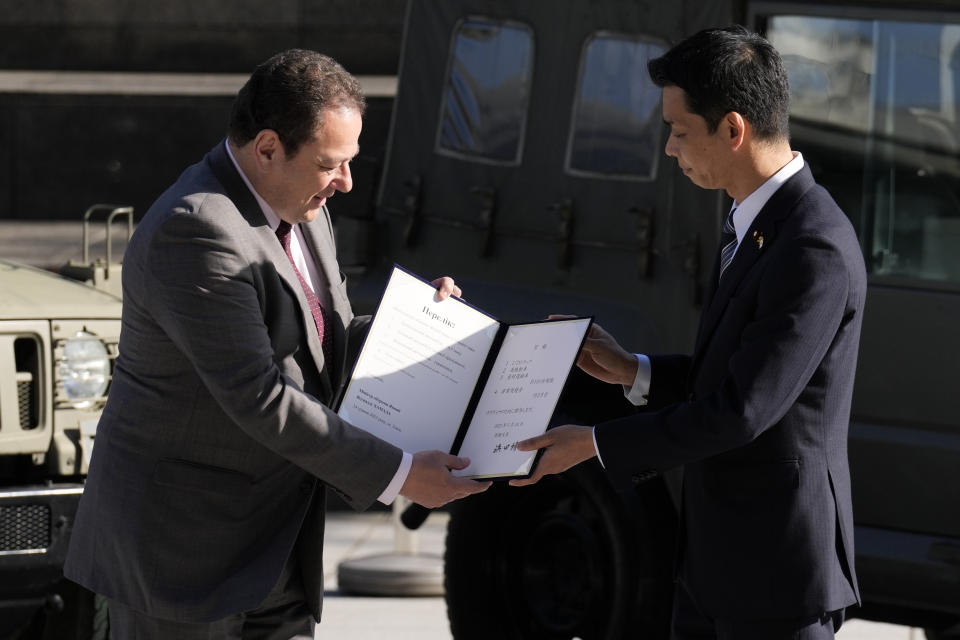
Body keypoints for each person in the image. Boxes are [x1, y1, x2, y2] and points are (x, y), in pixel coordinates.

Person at [64, 49, 490, 639]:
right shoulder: (196, 229)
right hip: (182, 563)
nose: (345, 182)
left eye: (349, 161)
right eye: (329, 165)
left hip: (278, 545)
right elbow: (259, 396)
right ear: (267, 149)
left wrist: (419, 325)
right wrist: (400, 475)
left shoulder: (305, 206)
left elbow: (322, 346)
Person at [511, 26, 865, 640]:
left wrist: (593, 443)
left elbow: (743, 410)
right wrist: (636, 371)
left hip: (775, 575)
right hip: (717, 567)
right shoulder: (753, 219)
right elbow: (731, 374)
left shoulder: (812, 244)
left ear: (733, 129)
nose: (670, 149)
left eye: (678, 131)